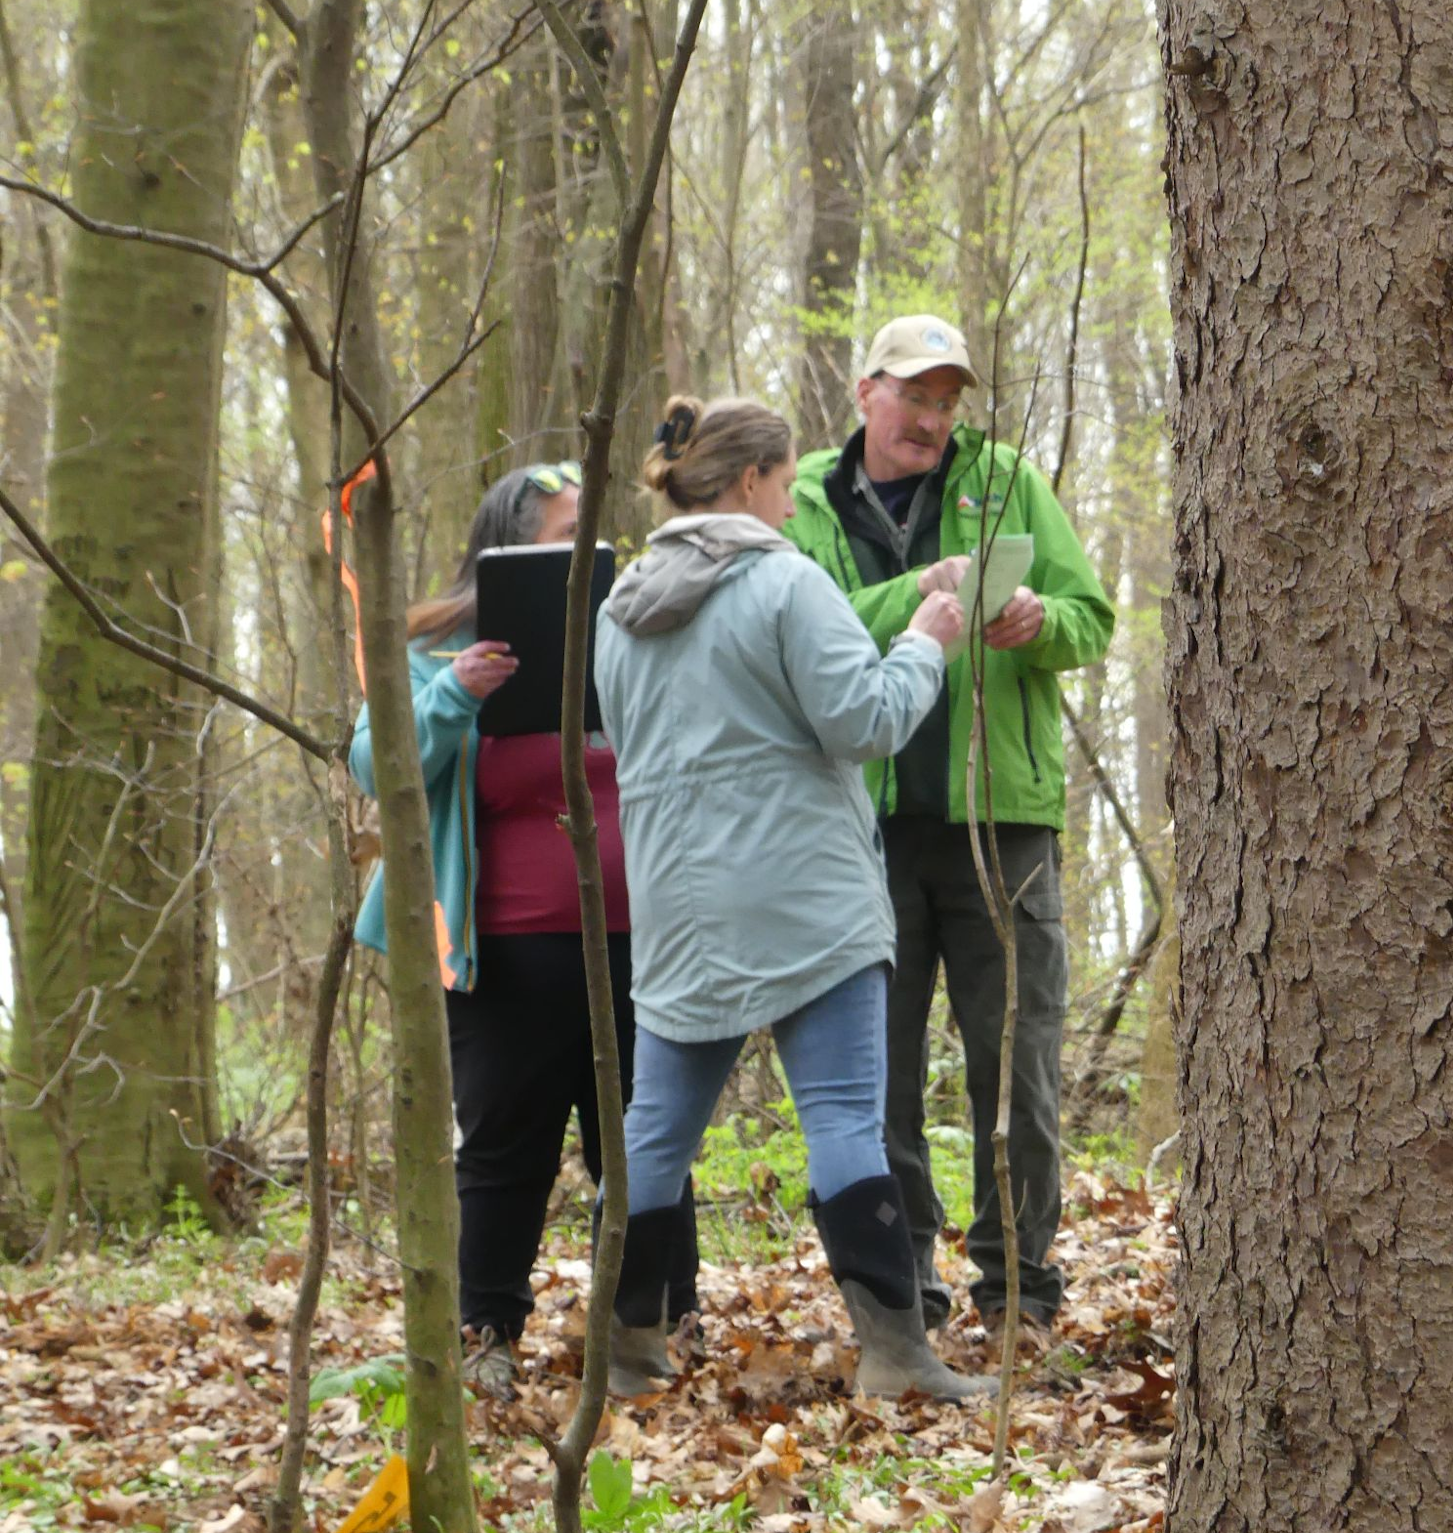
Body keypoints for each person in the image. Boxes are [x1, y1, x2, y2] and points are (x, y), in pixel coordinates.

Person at [594, 393, 997, 1403]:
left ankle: (625, 1344)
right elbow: (862, 719)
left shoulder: (618, 608)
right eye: (783, 486)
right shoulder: (784, 582)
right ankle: (897, 1354)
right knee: (844, 1120)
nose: (789, 506)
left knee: (654, 1132)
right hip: (807, 900)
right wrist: (927, 642)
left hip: (679, 905)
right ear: (747, 481)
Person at [785, 315, 1115, 1332]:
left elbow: (1089, 616)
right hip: (862, 825)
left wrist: (1036, 623)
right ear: (864, 392)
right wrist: (919, 592)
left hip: (1000, 826)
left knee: (1013, 1065)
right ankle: (902, 1291)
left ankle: (1019, 1291)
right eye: (913, 394)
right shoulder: (806, 498)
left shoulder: (1007, 479)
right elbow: (806, 627)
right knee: (871, 1073)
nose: (930, 417)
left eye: (946, 400)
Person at [349, 460, 696, 1399]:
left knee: (644, 1136)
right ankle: (485, 1330)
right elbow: (376, 765)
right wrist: (456, 692)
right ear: (506, 552)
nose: (581, 549)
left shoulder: (629, 638)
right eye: (559, 534)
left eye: (589, 532)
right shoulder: (435, 653)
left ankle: (657, 1319)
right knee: (506, 1142)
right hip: (504, 954)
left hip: (646, 942)